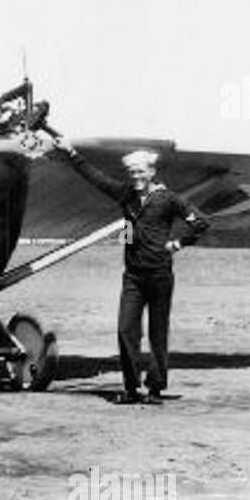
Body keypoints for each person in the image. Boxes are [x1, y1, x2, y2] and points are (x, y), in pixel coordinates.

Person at [52, 138, 210, 404]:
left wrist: (178, 243)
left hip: (160, 275)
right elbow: (96, 178)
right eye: (132, 173)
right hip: (133, 277)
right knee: (126, 329)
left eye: (140, 172)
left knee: (158, 332)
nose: (136, 177)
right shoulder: (126, 195)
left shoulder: (168, 200)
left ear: (151, 172)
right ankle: (131, 388)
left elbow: (202, 222)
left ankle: (156, 389)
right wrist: (70, 152)